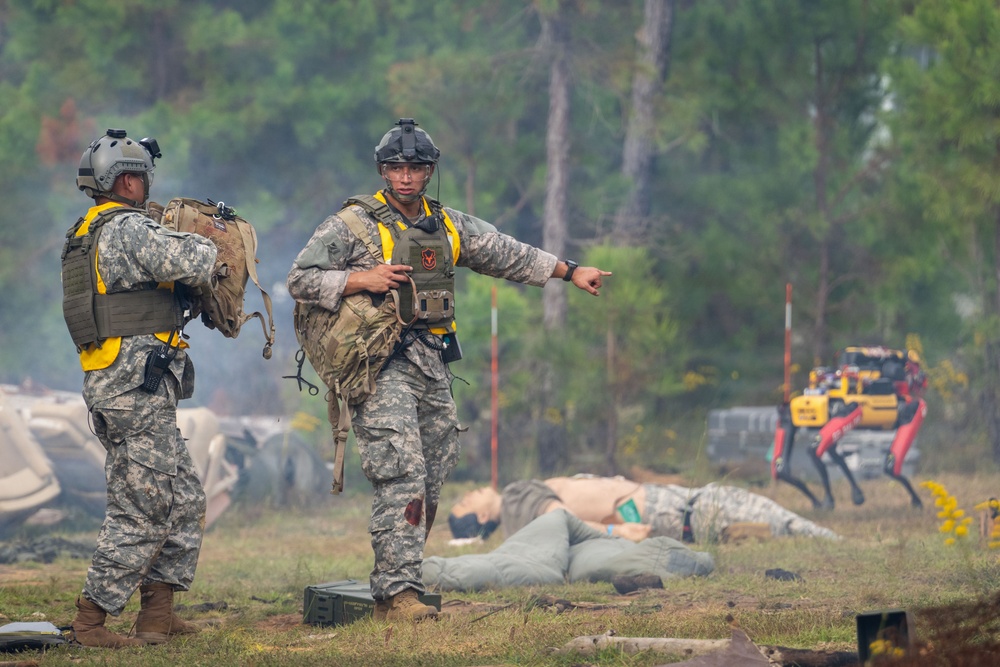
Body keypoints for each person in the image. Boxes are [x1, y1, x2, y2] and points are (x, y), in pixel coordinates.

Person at [287, 118, 611, 622]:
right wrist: (362, 278)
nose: (406, 177)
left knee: (434, 471)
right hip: (377, 364)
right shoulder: (350, 226)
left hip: (430, 361)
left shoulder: (447, 225)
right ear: (382, 171)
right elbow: (300, 280)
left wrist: (570, 272)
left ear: (430, 171)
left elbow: (505, 252)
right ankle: (397, 596)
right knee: (402, 472)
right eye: (396, 168)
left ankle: (403, 579)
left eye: (416, 168)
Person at [62, 129, 218, 647]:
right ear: (119, 182)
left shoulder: (87, 231)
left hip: (125, 387)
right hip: (134, 390)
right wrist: (209, 233)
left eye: (141, 176)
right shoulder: (127, 228)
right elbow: (197, 261)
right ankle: (91, 621)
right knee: (144, 505)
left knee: (184, 495)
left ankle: (157, 614)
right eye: (133, 177)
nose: (140, 185)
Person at [448, 475, 839, 543]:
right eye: (467, 501)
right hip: (663, 508)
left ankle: (821, 537)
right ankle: (830, 540)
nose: (472, 492)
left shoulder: (518, 513)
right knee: (769, 513)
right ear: (482, 518)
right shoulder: (516, 500)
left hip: (661, 507)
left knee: (760, 518)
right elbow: (561, 518)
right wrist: (618, 530)